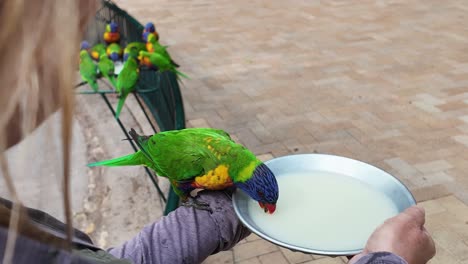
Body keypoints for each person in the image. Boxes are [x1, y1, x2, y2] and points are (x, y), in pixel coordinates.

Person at [0, 0, 435, 263]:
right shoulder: (204, 164)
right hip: (163, 154)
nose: (80, 57)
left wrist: (226, 214)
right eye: (74, 28)